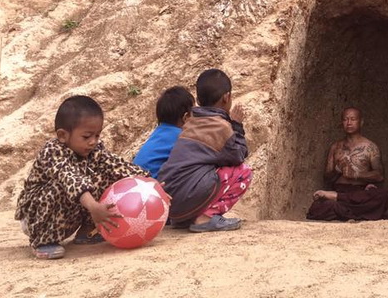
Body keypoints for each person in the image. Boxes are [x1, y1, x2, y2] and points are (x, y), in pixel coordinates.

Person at [15, 95, 148, 260]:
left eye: (97, 136)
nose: (93, 142)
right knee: (62, 186)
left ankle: (87, 231)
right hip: (38, 216)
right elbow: (69, 178)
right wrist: (93, 206)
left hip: (69, 215)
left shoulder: (94, 150)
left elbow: (116, 165)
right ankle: (42, 241)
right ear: (63, 135)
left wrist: (149, 182)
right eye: (86, 137)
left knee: (104, 174)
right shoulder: (52, 151)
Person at [158, 69, 252, 232]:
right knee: (243, 172)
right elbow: (239, 155)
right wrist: (236, 125)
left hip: (169, 203)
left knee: (203, 171)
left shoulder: (190, 123)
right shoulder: (221, 127)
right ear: (226, 97)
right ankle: (206, 218)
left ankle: (188, 219)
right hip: (187, 197)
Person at [306, 107, 388, 221]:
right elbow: (327, 177)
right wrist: (337, 170)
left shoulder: (370, 147)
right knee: (316, 208)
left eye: (353, 119)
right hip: (341, 190)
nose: (349, 123)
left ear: (361, 122)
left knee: (383, 195)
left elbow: (379, 176)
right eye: (346, 119)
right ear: (342, 123)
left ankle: (342, 210)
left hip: (360, 194)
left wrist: (356, 175)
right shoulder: (336, 147)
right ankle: (351, 213)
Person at [133, 86, 195, 178]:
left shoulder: (157, 134)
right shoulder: (182, 138)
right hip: (152, 188)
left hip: (134, 183)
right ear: (186, 117)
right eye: (194, 112)